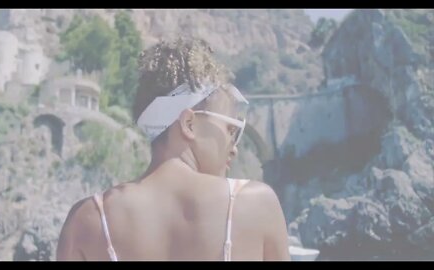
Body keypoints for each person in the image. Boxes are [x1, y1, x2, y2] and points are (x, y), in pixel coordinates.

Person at [56, 37, 290, 261]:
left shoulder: (87, 220)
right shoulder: (255, 205)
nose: (234, 148)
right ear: (189, 124)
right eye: (231, 130)